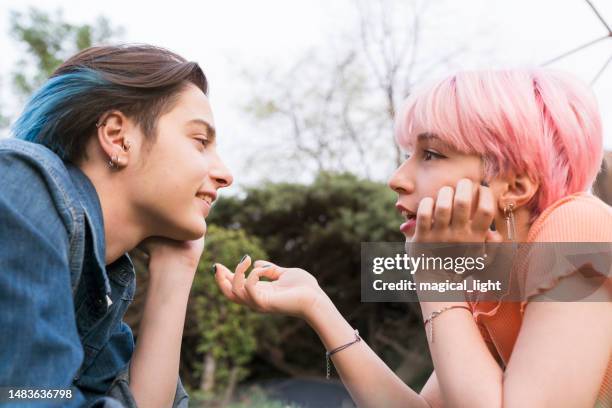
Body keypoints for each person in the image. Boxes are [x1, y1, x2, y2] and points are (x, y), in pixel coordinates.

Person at [214, 69, 612, 407]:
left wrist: (435, 275)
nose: (397, 179)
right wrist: (317, 304)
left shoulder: (578, 225)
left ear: (515, 185)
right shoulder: (488, 273)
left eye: (431, 154)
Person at [0, 44, 233, 407]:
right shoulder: (19, 186)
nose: (225, 175)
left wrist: (177, 269)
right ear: (116, 137)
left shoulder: (105, 284)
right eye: (200, 141)